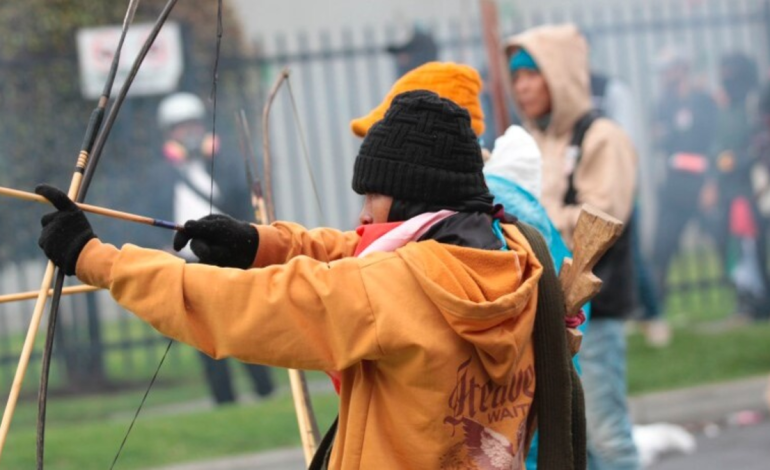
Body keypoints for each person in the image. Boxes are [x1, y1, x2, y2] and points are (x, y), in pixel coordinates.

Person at [36, 90, 583, 469]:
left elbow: (244, 306)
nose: (364, 214)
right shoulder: (511, 254)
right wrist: (259, 245)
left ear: (414, 194)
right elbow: (359, 252)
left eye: (372, 195)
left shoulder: (394, 289)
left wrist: (96, 259)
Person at [504, 24, 639, 470]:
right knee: (572, 440)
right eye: (516, 76)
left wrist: (532, 215)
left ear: (559, 74)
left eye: (531, 73)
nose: (521, 86)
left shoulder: (601, 137)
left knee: (607, 436)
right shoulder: (534, 141)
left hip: (594, 306)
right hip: (548, 313)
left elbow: (604, 218)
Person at [157, 92, 274, 404]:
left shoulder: (227, 163)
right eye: (181, 127)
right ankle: (223, 398)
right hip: (188, 262)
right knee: (203, 333)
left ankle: (264, 389)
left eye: (193, 124)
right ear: (169, 133)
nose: (189, 132)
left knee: (245, 325)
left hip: (228, 255)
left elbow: (244, 202)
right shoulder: (162, 174)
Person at [650, 47, 719, 308]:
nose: (665, 76)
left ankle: (749, 298)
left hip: (701, 183)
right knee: (662, 246)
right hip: (674, 186)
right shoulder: (662, 104)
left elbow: (713, 141)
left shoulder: (703, 100)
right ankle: (656, 306)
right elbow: (660, 141)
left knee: (722, 238)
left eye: (669, 69)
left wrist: (711, 183)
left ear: (682, 69)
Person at [711, 53, 769, 320]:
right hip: (730, 189)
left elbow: (760, 141)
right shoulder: (726, 109)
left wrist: (741, 159)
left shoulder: (756, 102)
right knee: (734, 244)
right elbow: (718, 145)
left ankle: (760, 299)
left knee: (753, 247)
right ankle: (747, 297)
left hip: (754, 187)